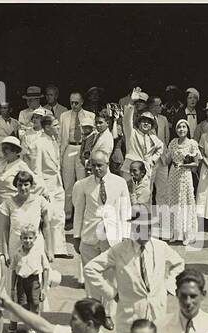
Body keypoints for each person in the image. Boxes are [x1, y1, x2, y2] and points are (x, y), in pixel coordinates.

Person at [82, 205, 185, 333]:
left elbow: (179, 263)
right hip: (130, 316)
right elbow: (91, 268)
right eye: (144, 228)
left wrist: (168, 286)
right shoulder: (119, 250)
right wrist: (111, 292)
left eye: (150, 228)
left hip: (157, 313)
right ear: (134, 228)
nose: (148, 232)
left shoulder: (160, 247)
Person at [71, 148, 131, 273]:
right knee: (92, 274)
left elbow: (125, 212)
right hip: (90, 236)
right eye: (93, 166)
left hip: (112, 237)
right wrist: (77, 236)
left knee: (111, 275)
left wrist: (126, 235)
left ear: (107, 164)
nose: (97, 169)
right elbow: (78, 212)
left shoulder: (120, 183)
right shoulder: (82, 184)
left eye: (100, 165)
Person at [21, 105, 66, 255]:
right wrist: (43, 189)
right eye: (55, 125)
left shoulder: (54, 141)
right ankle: (47, 249)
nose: (58, 127)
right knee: (48, 217)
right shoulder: (37, 144)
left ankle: (59, 248)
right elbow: (36, 171)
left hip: (57, 182)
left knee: (59, 216)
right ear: (47, 127)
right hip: (46, 185)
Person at [58, 90, 96, 222]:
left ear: (82, 102)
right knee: (68, 184)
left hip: (82, 148)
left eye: (76, 103)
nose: (73, 105)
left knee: (82, 183)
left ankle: (81, 216)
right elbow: (60, 137)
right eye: (71, 103)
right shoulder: (64, 116)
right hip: (69, 147)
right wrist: (60, 156)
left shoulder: (90, 115)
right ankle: (68, 215)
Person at [11, 224, 51, 333]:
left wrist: (44, 288)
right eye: (25, 238)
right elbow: (13, 270)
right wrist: (12, 288)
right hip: (21, 283)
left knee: (35, 308)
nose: (27, 241)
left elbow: (46, 269)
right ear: (21, 238)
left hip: (34, 282)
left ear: (35, 238)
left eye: (30, 238)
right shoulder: (17, 253)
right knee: (25, 308)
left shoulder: (39, 252)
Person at [163, 119, 202, 244]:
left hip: (185, 176)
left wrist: (184, 165)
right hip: (173, 175)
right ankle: (175, 234)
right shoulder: (173, 142)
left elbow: (196, 164)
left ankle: (187, 234)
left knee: (185, 202)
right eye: (179, 127)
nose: (181, 129)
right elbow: (167, 161)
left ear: (188, 129)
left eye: (184, 127)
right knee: (173, 201)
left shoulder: (192, 143)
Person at [0, 167, 51, 263]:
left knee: (36, 274)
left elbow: (46, 227)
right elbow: (5, 229)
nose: (23, 188)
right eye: (20, 185)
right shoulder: (8, 203)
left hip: (36, 245)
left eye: (26, 184)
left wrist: (49, 249)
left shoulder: (40, 201)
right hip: (15, 245)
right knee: (15, 275)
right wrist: (5, 252)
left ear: (31, 185)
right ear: (16, 186)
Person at [124, 109, 166, 194]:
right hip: (131, 170)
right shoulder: (132, 133)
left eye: (149, 122)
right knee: (130, 196)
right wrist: (131, 104)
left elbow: (161, 147)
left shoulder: (152, 137)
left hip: (145, 171)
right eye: (143, 121)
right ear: (139, 123)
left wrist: (152, 160)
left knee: (145, 197)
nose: (146, 123)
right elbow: (127, 120)